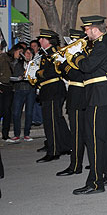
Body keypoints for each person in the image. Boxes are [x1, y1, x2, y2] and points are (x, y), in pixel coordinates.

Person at [67, 16, 107, 195]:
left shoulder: (101, 45)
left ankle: (96, 182)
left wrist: (76, 55)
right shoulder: (104, 43)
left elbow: (87, 66)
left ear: (94, 29)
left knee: (94, 139)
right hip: (103, 94)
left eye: (86, 29)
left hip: (100, 96)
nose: (85, 32)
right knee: (106, 137)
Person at [35, 29, 72, 162]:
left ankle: (54, 150)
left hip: (53, 90)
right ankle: (67, 145)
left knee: (51, 122)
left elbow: (53, 71)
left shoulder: (54, 53)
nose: (39, 41)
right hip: (48, 90)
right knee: (57, 119)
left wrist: (38, 73)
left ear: (48, 40)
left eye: (42, 39)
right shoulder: (45, 54)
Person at [56, 29, 89, 176]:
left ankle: (75, 166)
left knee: (78, 133)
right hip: (77, 96)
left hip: (79, 96)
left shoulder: (84, 55)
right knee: (82, 132)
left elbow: (77, 75)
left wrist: (64, 64)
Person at [9, 47, 36, 142]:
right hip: (19, 89)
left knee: (29, 112)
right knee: (16, 112)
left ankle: (27, 134)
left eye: (30, 53)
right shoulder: (18, 63)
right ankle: (16, 134)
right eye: (27, 53)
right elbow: (12, 72)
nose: (28, 55)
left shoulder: (34, 64)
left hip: (30, 90)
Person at [0, 46, 13, 141]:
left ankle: (5, 134)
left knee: (6, 111)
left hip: (7, 86)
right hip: (2, 86)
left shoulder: (5, 57)